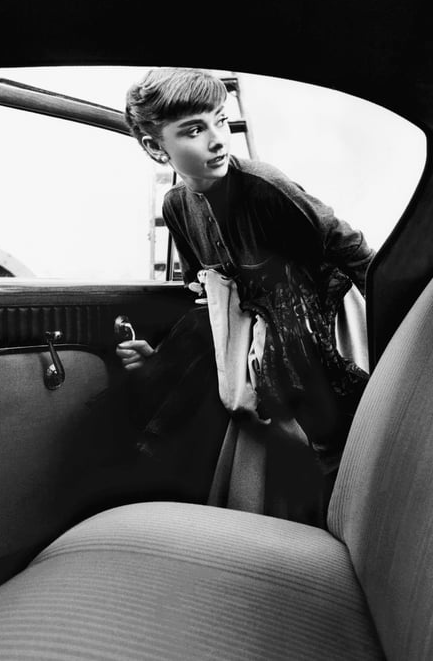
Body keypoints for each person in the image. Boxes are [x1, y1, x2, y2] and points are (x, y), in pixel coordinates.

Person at [117, 66, 375, 525]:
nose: (218, 140)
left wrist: (397, 330)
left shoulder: (264, 186)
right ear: (157, 147)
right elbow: (205, 290)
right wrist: (167, 358)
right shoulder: (176, 206)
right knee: (197, 343)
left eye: (220, 120)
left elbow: (356, 254)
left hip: (313, 314)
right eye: (194, 130)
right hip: (247, 319)